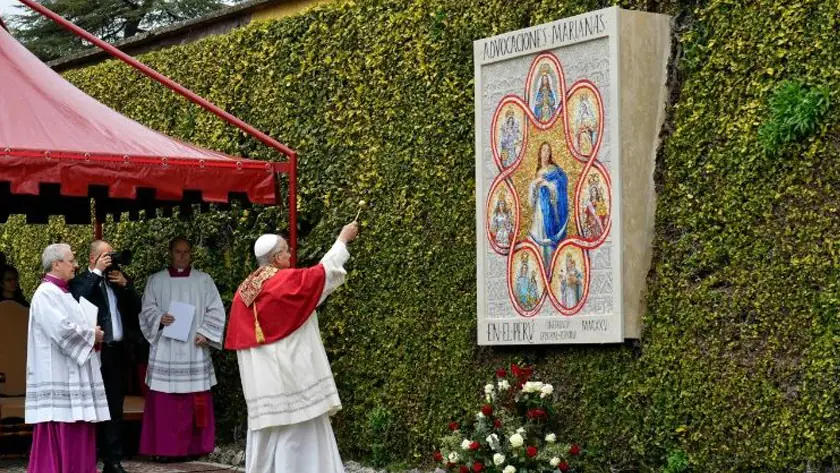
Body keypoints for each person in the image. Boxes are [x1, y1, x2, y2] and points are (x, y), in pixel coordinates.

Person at [225, 221, 359, 473]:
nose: (290, 254)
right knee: (298, 429)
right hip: (291, 379)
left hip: (263, 386)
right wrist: (342, 240)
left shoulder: (244, 290)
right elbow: (324, 274)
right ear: (276, 258)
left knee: (271, 430)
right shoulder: (283, 283)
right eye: (286, 250)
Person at [139, 237, 226, 461]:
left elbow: (216, 310)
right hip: (166, 348)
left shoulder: (203, 281)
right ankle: (164, 449)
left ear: (191, 253)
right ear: (170, 252)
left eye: (186, 252)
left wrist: (205, 332)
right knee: (165, 404)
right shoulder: (156, 280)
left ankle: (194, 448)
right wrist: (160, 318)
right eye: (178, 252)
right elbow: (147, 310)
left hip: (193, 348)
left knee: (193, 402)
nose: (182, 256)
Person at [26, 243, 110, 473]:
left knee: (79, 431)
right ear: (56, 264)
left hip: (73, 375)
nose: (76, 265)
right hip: (60, 376)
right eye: (71, 260)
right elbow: (62, 330)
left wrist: (91, 332)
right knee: (63, 430)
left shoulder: (64, 292)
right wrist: (92, 334)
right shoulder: (45, 294)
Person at [69, 240, 142, 473]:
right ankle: (86, 458)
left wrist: (127, 286)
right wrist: (97, 273)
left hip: (116, 353)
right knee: (89, 407)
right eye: (105, 256)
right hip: (91, 354)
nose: (110, 260)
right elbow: (78, 298)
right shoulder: (80, 280)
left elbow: (136, 309)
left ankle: (113, 461)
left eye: (111, 256)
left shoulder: (117, 281)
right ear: (92, 259)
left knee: (114, 408)